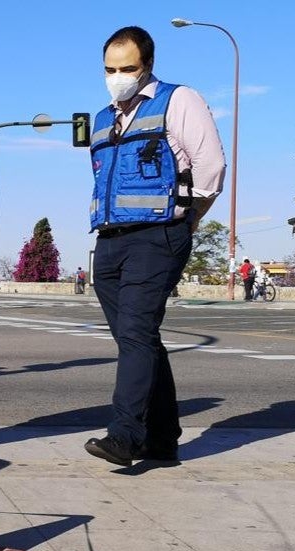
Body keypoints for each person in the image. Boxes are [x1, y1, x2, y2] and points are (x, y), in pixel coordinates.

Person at [83, 26, 226, 467]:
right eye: (110, 69)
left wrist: (188, 217)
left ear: (147, 65)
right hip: (109, 241)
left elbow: (211, 166)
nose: (118, 76)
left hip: (157, 235)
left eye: (127, 68)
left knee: (136, 334)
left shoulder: (179, 99)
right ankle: (163, 439)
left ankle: (125, 435)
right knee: (137, 340)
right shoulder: (104, 117)